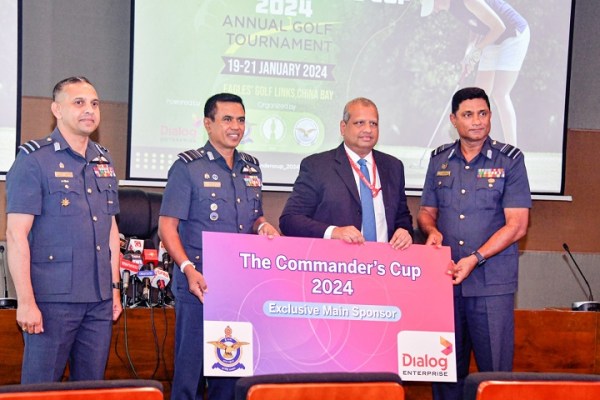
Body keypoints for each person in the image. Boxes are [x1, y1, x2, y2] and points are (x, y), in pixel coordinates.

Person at [158, 93, 279, 400]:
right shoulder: (187, 167)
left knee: (230, 370)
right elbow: (167, 227)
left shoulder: (251, 168)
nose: (235, 126)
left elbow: (255, 217)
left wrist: (262, 226)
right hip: (198, 284)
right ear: (208, 124)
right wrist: (187, 269)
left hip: (237, 286)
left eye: (240, 120)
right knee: (190, 376)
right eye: (227, 119)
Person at [5, 76, 122, 383]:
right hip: (51, 301)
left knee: (91, 388)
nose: (89, 110)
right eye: (79, 103)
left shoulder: (103, 159)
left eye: (94, 103)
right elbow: (16, 236)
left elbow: (111, 228)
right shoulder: (34, 160)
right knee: (40, 389)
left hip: (98, 301)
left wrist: (114, 289)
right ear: (56, 109)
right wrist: (26, 302)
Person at [417, 87, 531, 400]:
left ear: (490, 116)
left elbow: (517, 225)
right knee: (445, 373)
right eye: (468, 115)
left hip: (491, 285)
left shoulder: (510, 161)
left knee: (494, 378)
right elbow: (426, 212)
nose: (477, 121)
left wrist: (475, 258)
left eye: (483, 113)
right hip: (445, 283)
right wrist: (430, 230)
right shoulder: (439, 159)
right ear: (454, 119)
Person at [280, 97, 413, 248]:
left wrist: (404, 230)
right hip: (336, 259)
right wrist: (334, 232)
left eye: (373, 124)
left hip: (384, 260)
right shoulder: (317, 166)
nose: (368, 129)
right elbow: (290, 220)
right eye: (360, 123)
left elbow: (402, 217)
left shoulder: (393, 167)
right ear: (343, 127)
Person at [421, 0, 530, 146]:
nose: (434, 11)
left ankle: (513, 152)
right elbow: (475, 26)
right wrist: (468, 53)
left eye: (432, 6)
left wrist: (476, 51)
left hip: (513, 34)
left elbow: (499, 27)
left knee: (500, 94)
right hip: (492, 38)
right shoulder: (453, 8)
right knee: (478, 97)